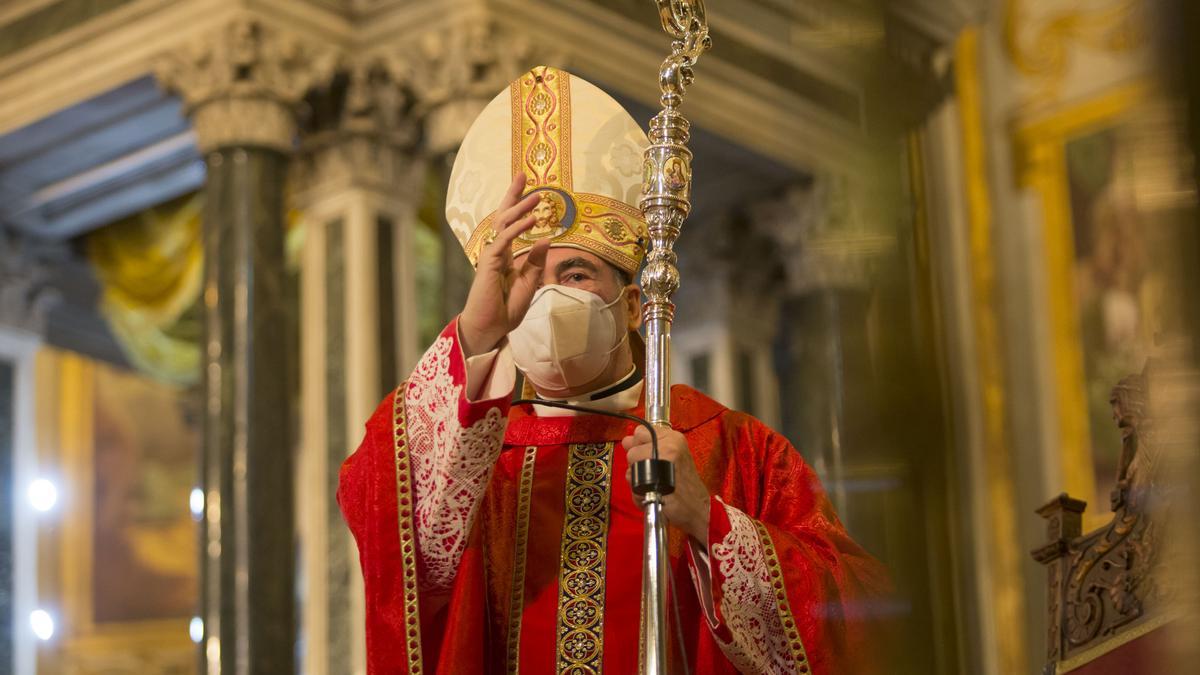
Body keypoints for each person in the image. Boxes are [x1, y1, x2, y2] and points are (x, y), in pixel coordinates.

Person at [338, 65, 889, 674]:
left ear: (630, 306)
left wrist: (712, 524)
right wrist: (477, 331)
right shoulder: (472, 460)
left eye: (574, 274)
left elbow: (856, 616)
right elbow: (379, 512)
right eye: (526, 277)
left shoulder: (729, 447)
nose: (546, 299)